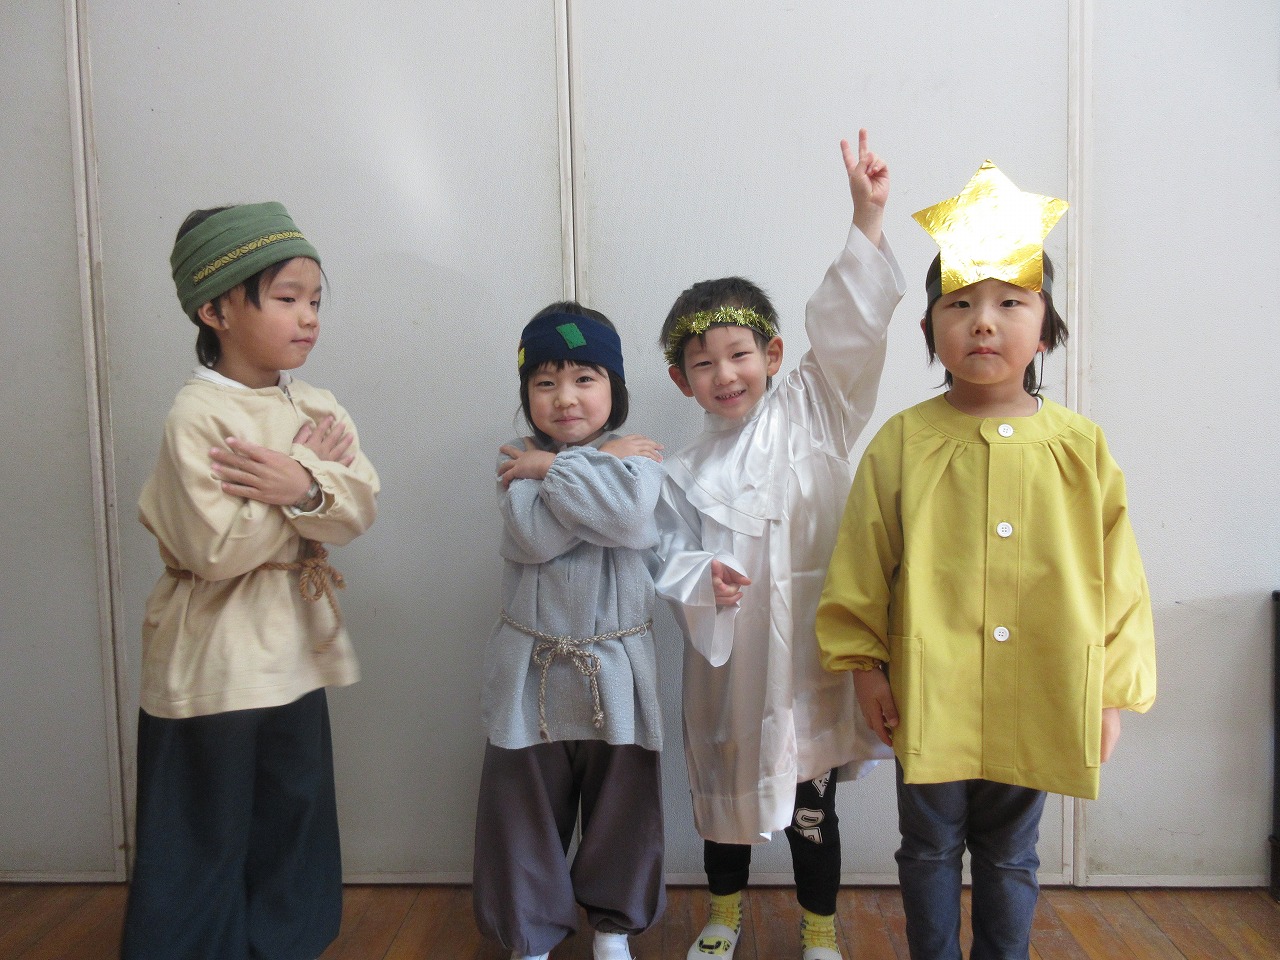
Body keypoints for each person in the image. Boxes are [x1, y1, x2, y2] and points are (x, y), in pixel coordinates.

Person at [816, 161, 1157, 959]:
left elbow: (1120, 577)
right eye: (960, 303)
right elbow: (862, 560)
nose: (983, 322)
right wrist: (864, 665)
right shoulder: (904, 442)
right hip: (930, 692)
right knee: (928, 848)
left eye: (1011, 302)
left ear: (1047, 328)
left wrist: (1109, 693)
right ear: (929, 327)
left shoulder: (1079, 447)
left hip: (1039, 688)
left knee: (1011, 853)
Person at [655, 130, 902, 960]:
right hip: (733, 670)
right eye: (703, 363)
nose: (725, 374)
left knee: (812, 805)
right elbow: (667, 557)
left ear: (773, 354)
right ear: (681, 380)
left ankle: (820, 928)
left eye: (739, 354)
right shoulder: (682, 472)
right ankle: (722, 917)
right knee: (724, 801)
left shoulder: (815, 412)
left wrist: (866, 218)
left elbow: (850, 330)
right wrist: (704, 581)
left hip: (811, 663)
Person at [120, 202, 380, 959]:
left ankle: (283, 946)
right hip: (213, 657)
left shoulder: (318, 406)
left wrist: (300, 483)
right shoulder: (197, 415)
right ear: (216, 310)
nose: (309, 318)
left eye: (316, 300)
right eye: (287, 298)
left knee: (290, 818)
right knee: (202, 830)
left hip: (295, 651)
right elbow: (216, 549)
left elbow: (360, 505)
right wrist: (309, 481)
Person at [472, 303, 667, 960]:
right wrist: (581, 472)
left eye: (585, 378)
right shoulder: (515, 458)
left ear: (614, 389)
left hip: (618, 663)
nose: (565, 397)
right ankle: (530, 935)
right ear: (527, 394)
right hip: (531, 667)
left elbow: (631, 519)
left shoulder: (637, 458)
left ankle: (613, 929)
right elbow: (534, 536)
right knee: (521, 803)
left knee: (623, 801)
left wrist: (554, 471)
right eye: (545, 382)